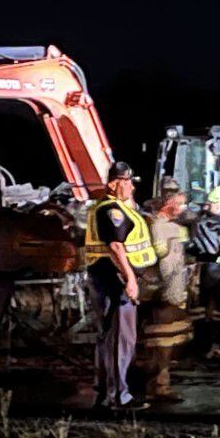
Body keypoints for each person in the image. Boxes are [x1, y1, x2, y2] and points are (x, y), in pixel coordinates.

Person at [84, 159, 155, 410]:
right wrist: (131, 279)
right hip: (114, 279)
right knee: (120, 339)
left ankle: (106, 392)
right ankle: (118, 397)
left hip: (105, 277)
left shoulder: (107, 207)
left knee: (109, 337)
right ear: (115, 183)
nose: (132, 188)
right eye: (128, 183)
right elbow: (115, 246)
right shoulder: (111, 210)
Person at [138, 181, 194, 400]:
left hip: (173, 290)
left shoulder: (175, 227)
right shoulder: (155, 226)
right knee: (162, 340)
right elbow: (157, 260)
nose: (182, 208)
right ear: (166, 204)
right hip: (161, 292)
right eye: (178, 203)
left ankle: (160, 382)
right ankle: (158, 385)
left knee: (171, 338)